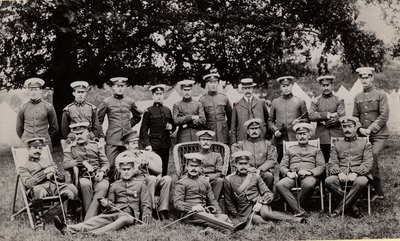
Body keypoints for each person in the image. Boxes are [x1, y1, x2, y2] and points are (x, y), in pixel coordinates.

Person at [54, 151, 152, 235]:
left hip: (130, 215)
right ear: (119, 170)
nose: (126, 172)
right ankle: (67, 229)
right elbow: (111, 203)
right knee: (97, 219)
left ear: (133, 169)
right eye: (124, 169)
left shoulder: (141, 184)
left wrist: (145, 221)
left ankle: (93, 234)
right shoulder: (114, 185)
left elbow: (146, 204)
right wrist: (106, 203)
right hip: (115, 211)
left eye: (128, 169)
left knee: (123, 220)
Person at [224, 151, 307, 224]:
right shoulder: (228, 179)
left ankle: (297, 220)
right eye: (240, 164)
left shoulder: (255, 176)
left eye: (245, 164)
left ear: (249, 164)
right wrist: (235, 214)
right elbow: (229, 200)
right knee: (255, 219)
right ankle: (270, 225)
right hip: (244, 209)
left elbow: (268, 193)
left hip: (260, 203)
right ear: (235, 165)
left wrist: (261, 201)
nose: (243, 166)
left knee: (266, 214)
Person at [174, 153, 247, 234]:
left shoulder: (204, 181)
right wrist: (192, 207)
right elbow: (177, 203)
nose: (193, 168)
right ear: (187, 167)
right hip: (190, 214)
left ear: (201, 168)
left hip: (205, 212)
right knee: (210, 216)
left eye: (196, 166)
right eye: (191, 166)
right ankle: (230, 228)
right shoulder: (182, 182)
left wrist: (219, 213)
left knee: (223, 216)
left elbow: (212, 200)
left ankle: (207, 231)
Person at [19, 137, 79, 230]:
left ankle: (70, 218)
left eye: (40, 148)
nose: (38, 151)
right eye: (35, 148)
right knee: (37, 190)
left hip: (54, 186)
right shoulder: (24, 167)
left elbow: (62, 179)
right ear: (28, 149)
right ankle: (39, 222)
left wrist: (55, 173)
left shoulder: (48, 161)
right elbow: (28, 183)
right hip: (39, 188)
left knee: (72, 188)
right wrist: (44, 173)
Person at [352, 67, 389, 202]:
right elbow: (355, 117)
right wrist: (360, 128)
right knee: (371, 161)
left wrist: (371, 129)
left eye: (367, 77)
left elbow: (384, 115)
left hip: (378, 134)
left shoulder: (381, 95)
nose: (364, 80)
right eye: (362, 77)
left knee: (372, 155)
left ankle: (364, 187)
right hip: (363, 134)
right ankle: (378, 192)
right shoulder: (357, 97)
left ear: (372, 78)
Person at [326, 116, 373, 218]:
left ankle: (338, 211)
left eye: (349, 127)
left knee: (361, 182)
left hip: (360, 174)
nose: (347, 129)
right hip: (341, 173)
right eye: (344, 127)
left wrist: (356, 173)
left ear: (355, 127)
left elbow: (368, 162)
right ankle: (353, 207)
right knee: (329, 181)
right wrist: (339, 173)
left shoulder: (365, 144)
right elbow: (332, 162)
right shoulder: (337, 145)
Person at [62, 122, 109, 221]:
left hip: (99, 175)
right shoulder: (70, 149)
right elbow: (65, 164)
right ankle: (92, 220)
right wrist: (81, 163)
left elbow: (105, 163)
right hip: (83, 176)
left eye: (81, 133)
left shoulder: (96, 146)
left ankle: (88, 220)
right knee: (85, 184)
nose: (79, 136)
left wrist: (102, 172)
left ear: (87, 132)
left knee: (103, 185)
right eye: (76, 134)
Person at [97, 77, 142, 181]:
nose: (120, 88)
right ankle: (111, 189)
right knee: (110, 165)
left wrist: (128, 125)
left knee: (129, 164)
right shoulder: (107, 101)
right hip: (112, 139)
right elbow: (98, 120)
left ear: (125, 87)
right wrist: (101, 135)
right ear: (113, 87)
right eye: (118, 86)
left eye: (122, 86)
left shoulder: (130, 101)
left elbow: (137, 116)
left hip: (127, 140)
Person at [276, 123, 325, 216]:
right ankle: (299, 210)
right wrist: (287, 173)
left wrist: (309, 172)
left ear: (309, 135)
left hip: (309, 176)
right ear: (296, 136)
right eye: (300, 134)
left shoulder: (316, 150)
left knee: (309, 183)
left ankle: (294, 208)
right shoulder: (290, 150)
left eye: (304, 134)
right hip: (292, 176)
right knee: (280, 185)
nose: (302, 136)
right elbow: (282, 166)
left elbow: (321, 166)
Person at [121, 131, 172, 220]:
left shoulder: (143, 154)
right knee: (151, 179)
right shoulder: (125, 157)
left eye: (137, 143)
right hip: (137, 185)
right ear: (126, 145)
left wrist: (147, 163)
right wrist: (137, 166)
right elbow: (125, 174)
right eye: (133, 144)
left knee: (167, 179)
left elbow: (159, 170)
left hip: (151, 182)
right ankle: (151, 209)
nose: (136, 146)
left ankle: (163, 210)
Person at [268, 76, 309, 163]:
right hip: (280, 140)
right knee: (282, 162)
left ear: (292, 86)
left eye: (288, 85)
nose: (286, 88)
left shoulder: (300, 101)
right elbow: (270, 121)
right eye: (283, 86)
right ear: (280, 87)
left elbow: (307, 119)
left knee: (296, 161)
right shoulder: (275, 102)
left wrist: (299, 123)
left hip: (295, 138)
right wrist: (275, 130)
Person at [231, 118, 277, 190]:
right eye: (252, 129)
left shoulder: (267, 144)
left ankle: (266, 198)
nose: (254, 131)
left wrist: (260, 169)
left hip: (262, 172)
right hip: (246, 172)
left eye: (256, 129)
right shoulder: (241, 145)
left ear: (260, 131)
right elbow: (235, 160)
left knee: (269, 176)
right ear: (248, 131)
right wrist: (248, 168)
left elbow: (272, 160)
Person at [140, 84, 176, 176]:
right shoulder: (148, 111)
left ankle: (164, 186)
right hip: (154, 145)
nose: (159, 96)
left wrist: (171, 128)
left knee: (165, 167)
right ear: (153, 96)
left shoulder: (167, 110)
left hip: (165, 144)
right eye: (157, 94)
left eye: (161, 94)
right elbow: (143, 131)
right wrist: (147, 145)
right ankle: (155, 189)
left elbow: (173, 126)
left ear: (163, 95)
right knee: (154, 168)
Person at [309, 75, 345, 163]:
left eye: (327, 85)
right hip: (322, 136)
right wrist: (328, 115)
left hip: (337, 134)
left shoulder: (339, 99)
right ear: (320, 86)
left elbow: (341, 116)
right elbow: (311, 116)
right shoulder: (316, 101)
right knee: (323, 160)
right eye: (323, 86)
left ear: (332, 85)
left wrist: (327, 120)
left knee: (338, 159)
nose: (325, 88)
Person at [16, 78, 58, 152]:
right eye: (31, 90)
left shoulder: (48, 107)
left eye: (36, 89)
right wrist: (26, 139)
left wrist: (46, 138)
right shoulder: (23, 108)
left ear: (40, 91)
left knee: (45, 163)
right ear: (28, 91)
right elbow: (19, 129)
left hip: (43, 145)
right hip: (26, 145)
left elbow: (54, 128)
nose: (33, 92)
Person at [230, 78, 269, 144]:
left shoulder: (261, 102)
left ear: (253, 89)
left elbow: (268, 120)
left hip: (260, 138)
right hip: (243, 139)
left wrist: (268, 136)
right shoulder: (236, 104)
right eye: (245, 88)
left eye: (249, 88)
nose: (247, 90)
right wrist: (234, 142)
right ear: (242, 89)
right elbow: (233, 127)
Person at [199, 73, 232, 144]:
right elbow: (201, 119)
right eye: (210, 83)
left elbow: (230, 116)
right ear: (207, 84)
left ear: (218, 83)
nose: (213, 85)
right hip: (209, 131)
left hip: (223, 132)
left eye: (215, 82)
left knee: (224, 150)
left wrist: (227, 128)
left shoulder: (224, 98)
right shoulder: (202, 100)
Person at [196, 130, 224, 201]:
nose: (206, 142)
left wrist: (209, 178)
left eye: (208, 140)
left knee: (220, 181)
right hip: (197, 180)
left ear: (211, 142)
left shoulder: (217, 155)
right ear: (199, 142)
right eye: (203, 140)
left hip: (212, 180)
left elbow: (220, 173)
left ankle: (213, 204)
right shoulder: (195, 156)